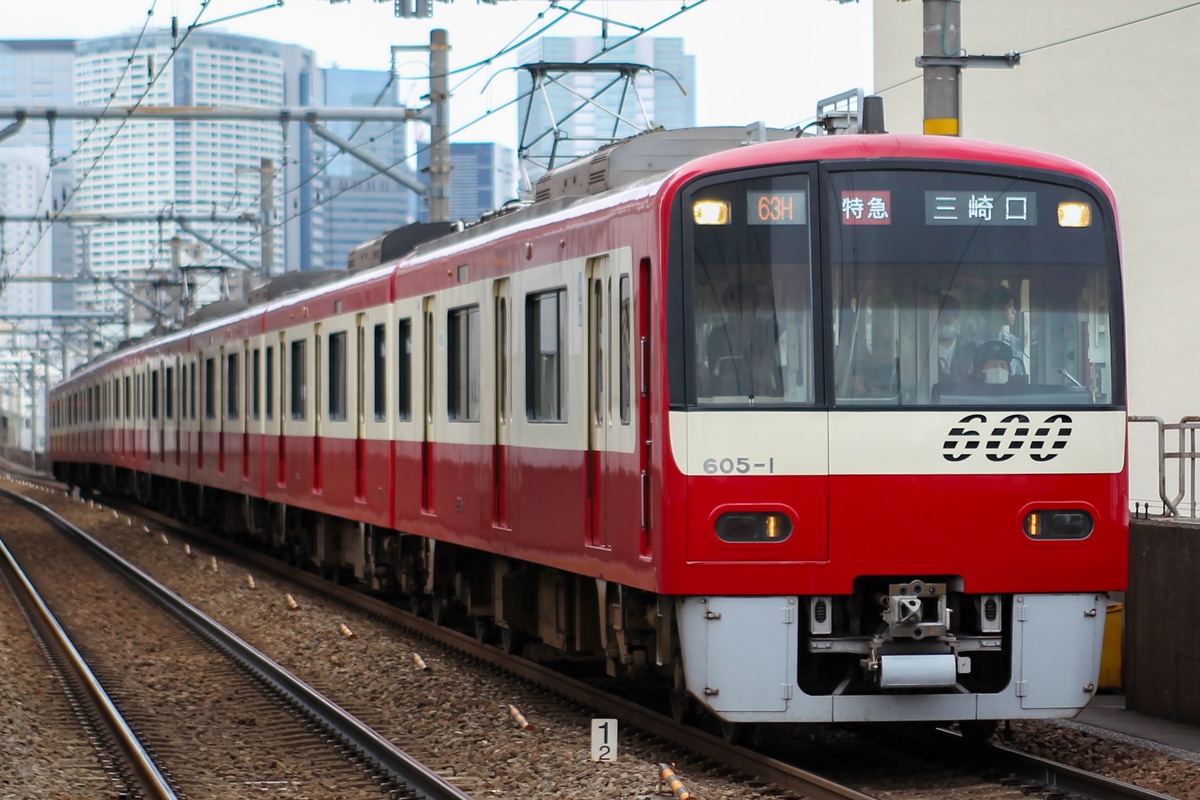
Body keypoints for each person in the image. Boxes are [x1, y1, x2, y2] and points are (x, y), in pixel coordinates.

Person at [978, 285, 1027, 376]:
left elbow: (1018, 376)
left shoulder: (1015, 343)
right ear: (994, 310)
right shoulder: (971, 344)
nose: (1014, 311)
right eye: (1009, 306)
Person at [936, 295, 971, 382]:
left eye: (947, 322)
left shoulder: (968, 349)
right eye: (940, 322)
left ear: (958, 320)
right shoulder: (923, 349)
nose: (943, 326)